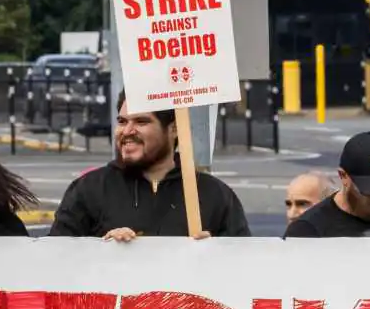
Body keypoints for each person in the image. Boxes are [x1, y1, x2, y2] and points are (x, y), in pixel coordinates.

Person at [47, 94, 250, 240]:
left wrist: (217, 255)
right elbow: (57, 264)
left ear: (174, 129)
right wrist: (102, 251)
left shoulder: (215, 195)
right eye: (122, 121)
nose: (127, 131)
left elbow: (244, 270)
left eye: (141, 121)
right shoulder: (89, 190)